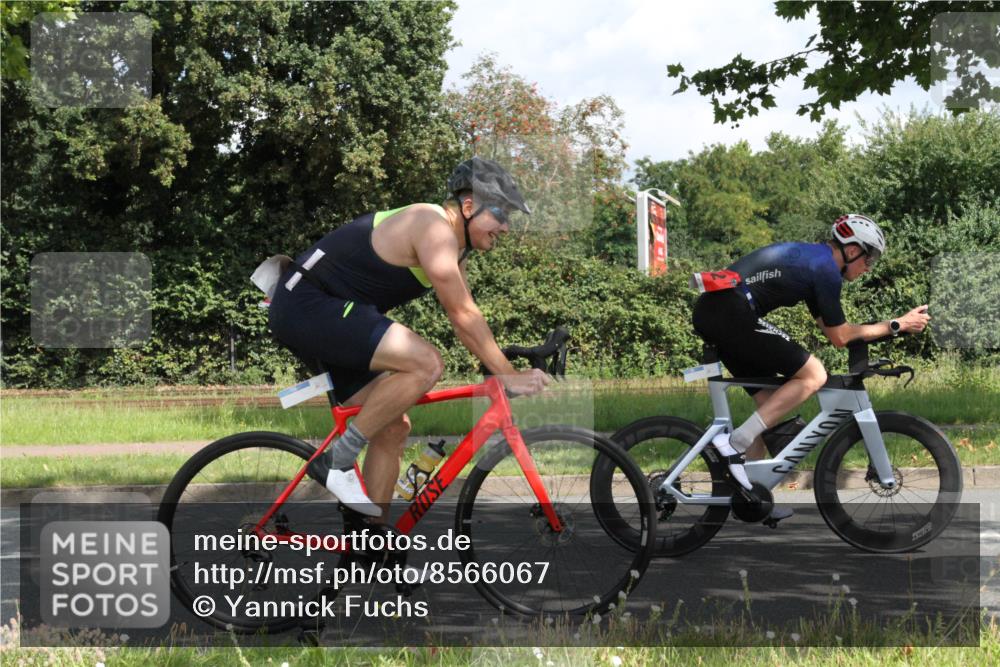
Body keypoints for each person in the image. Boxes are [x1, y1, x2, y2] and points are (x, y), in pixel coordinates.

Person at [268, 157, 550, 519]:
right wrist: (508, 375)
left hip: (323, 312)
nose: (506, 227)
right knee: (426, 363)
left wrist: (501, 361)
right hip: (309, 305)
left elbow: (468, 313)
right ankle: (337, 462)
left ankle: (369, 547)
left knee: (391, 427)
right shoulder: (432, 227)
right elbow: (461, 316)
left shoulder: (454, 247)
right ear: (468, 206)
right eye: (501, 213)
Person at [692, 214, 931, 511]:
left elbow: (834, 333)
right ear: (852, 250)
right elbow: (843, 337)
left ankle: (751, 494)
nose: (868, 268)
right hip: (730, 313)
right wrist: (897, 325)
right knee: (814, 374)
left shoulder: (814, 263)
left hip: (722, 312)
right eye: (869, 259)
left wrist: (888, 327)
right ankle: (734, 443)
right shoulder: (825, 270)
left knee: (770, 410)